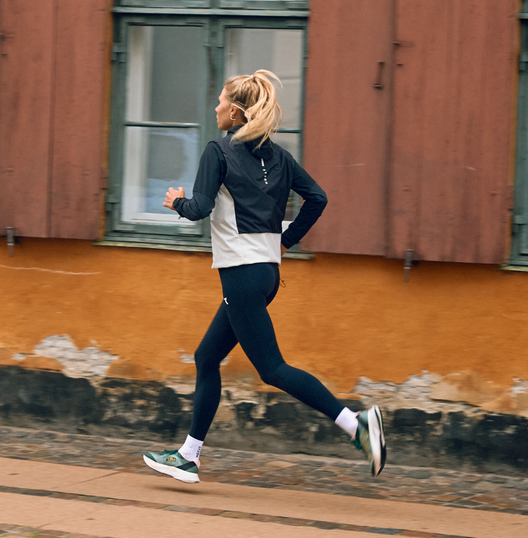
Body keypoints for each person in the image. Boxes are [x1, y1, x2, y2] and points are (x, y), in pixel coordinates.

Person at [142, 70, 386, 484]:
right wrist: (285, 242)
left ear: (236, 111)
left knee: (271, 368)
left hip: (241, 275)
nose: (216, 107)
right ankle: (189, 454)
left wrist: (176, 202)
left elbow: (201, 208)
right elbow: (318, 198)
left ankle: (356, 425)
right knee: (206, 357)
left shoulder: (218, 151)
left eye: (221, 101)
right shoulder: (279, 156)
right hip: (266, 274)